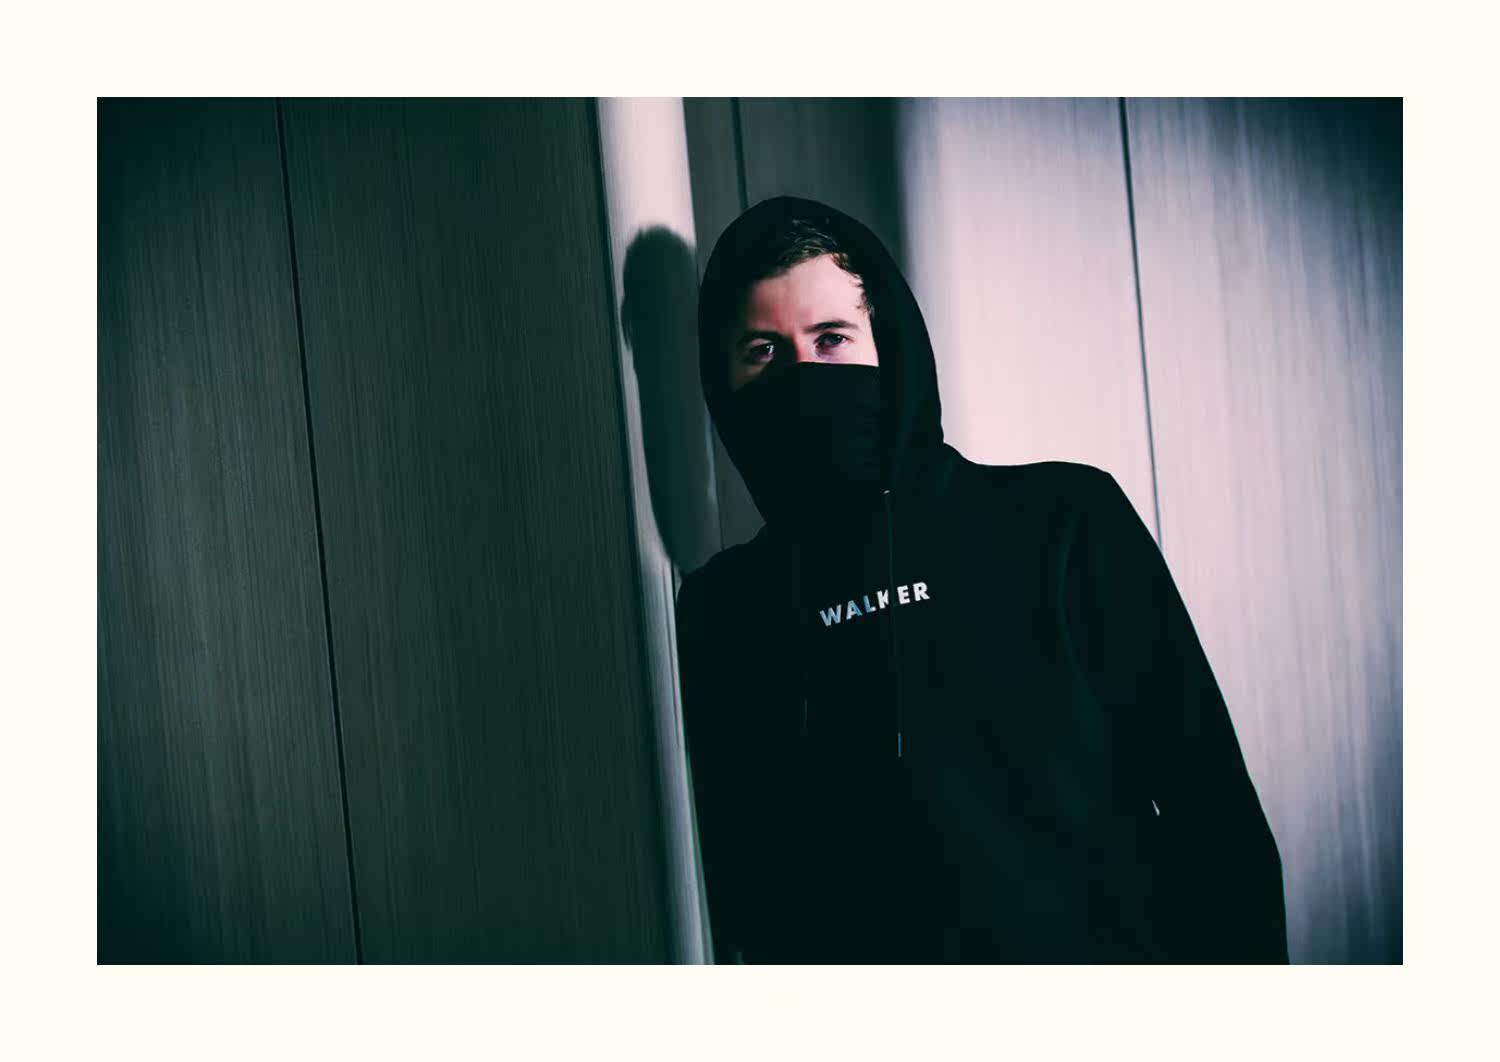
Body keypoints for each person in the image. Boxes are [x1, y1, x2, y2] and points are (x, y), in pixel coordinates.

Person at [675, 196, 1288, 964]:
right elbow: (746, 898)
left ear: (891, 346)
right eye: (764, 351)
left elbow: (1211, 809)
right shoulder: (726, 610)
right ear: (724, 383)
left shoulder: (1063, 521)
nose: (803, 377)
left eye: (831, 338)